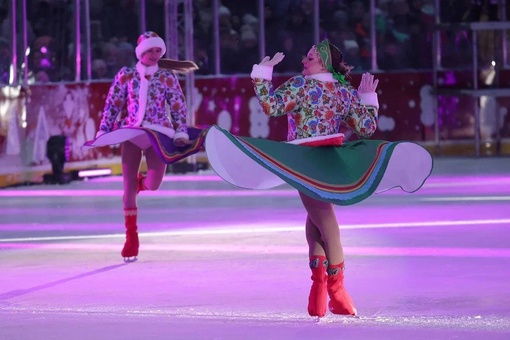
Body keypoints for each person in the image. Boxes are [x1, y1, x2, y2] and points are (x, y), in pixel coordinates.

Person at [204, 39, 433, 317]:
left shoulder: (300, 85)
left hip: (306, 160)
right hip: (328, 160)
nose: (304, 60)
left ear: (324, 62)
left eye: (310, 57)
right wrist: (368, 100)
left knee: (323, 220)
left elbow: (272, 107)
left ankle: (333, 290)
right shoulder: (343, 91)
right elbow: (366, 127)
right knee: (318, 218)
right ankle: (321, 290)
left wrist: (261, 76)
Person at [83, 31, 206, 261]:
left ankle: (142, 183)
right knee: (127, 188)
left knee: (154, 183)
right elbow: (112, 104)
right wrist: (105, 129)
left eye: (158, 50)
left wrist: (180, 130)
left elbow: (178, 105)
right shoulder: (126, 76)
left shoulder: (167, 77)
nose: (154, 54)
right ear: (140, 52)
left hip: (158, 134)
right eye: (150, 50)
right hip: (131, 132)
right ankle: (131, 238)